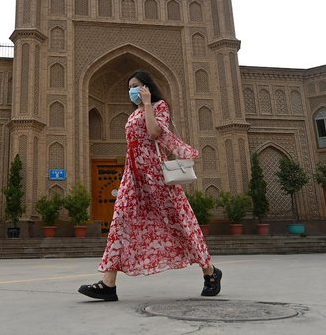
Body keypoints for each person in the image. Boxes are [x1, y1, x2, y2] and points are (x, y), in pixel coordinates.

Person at [78, 70, 222, 301]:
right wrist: (141, 108)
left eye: (135, 85)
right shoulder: (133, 113)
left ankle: (210, 272)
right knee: (120, 222)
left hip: (156, 174)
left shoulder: (159, 106)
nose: (131, 91)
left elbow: (155, 133)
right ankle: (108, 284)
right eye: (129, 87)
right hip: (133, 176)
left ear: (147, 87)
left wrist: (147, 105)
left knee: (179, 222)